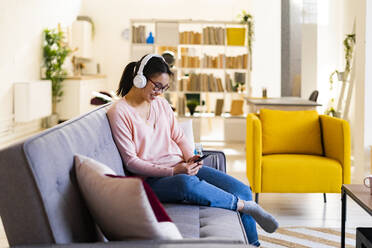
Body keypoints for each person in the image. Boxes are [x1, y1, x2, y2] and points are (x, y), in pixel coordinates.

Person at [107, 54, 278, 247]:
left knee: (243, 189)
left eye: (164, 88)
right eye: (157, 86)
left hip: (181, 167)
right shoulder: (119, 112)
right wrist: (174, 171)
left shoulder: (161, 104)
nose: (159, 92)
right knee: (186, 184)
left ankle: (253, 245)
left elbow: (179, 137)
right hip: (152, 180)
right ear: (140, 78)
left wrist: (190, 157)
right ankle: (244, 207)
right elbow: (131, 162)